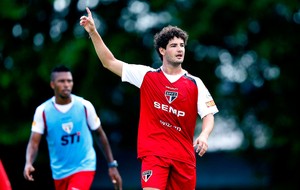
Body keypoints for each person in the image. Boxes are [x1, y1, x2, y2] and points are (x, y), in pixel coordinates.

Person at [80, 7, 219, 190]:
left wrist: (204, 135)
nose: (180, 49)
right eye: (174, 45)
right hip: (154, 154)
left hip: (184, 158)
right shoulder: (146, 76)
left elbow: (208, 114)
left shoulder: (195, 83)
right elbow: (109, 62)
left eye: (182, 45)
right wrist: (93, 32)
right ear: (162, 50)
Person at [23, 65, 122, 190]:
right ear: (53, 84)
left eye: (69, 81)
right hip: (59, 172)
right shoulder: (43, 111)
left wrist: (111, 164)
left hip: (84, 166)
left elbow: (100, 134)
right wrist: (28, 163)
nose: (66, 84)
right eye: (62, 81)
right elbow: (34, 143)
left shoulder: (84, 106)